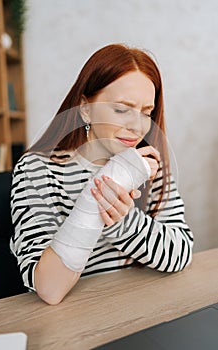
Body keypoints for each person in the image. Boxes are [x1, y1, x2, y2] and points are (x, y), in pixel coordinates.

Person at [10, 43, 194, 305]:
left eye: (146, 112)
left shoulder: (148, 165)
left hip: (143, 308)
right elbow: (48, 289)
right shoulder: (37, 169)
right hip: (78, 322)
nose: (136, 125)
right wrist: (95, 204)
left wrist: (122, 221)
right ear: (85, 108)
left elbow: (181, 254)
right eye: (121, 109)